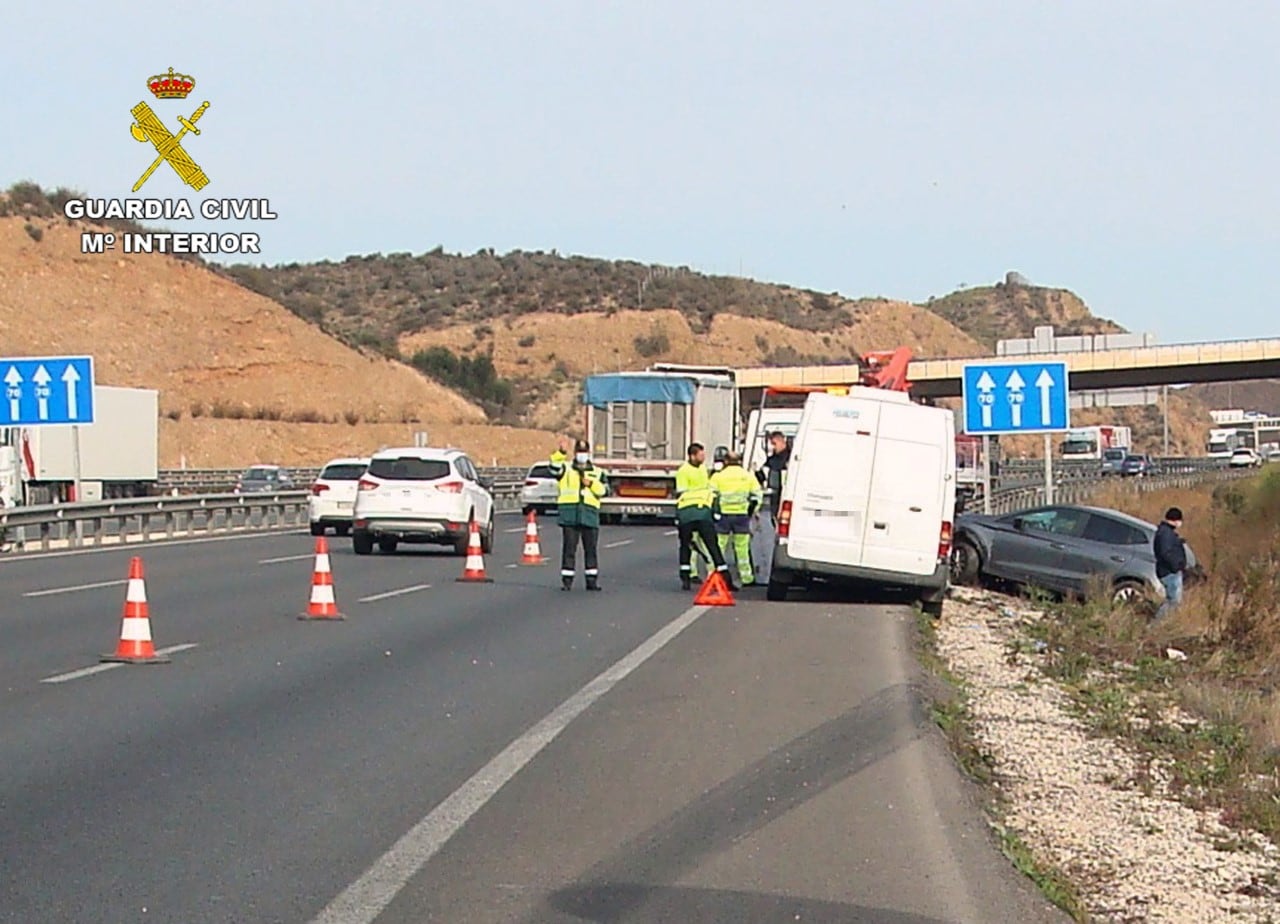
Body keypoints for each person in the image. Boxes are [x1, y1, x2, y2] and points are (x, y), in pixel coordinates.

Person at [548, 438, 608, 591]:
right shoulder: (566, 470)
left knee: (591, 550)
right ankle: (567, 581)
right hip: (570, 515)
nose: (582, 455)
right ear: (575, 453)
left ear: (589, 453)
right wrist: (560, 453)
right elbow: (554, 469)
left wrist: (592, 484)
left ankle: (591, 581)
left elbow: (605, 491)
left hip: (589, 515)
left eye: (584, 452)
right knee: (569, 549)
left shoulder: (597, 472)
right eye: (579, 452)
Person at [674, 442, 732, 591]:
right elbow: (682, 493)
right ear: (692, 456)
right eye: (701, 455)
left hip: (701, 512)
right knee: (688, 546)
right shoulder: (683, 471)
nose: (703, 458)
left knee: (711, 546)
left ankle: (721, 577)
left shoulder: (702, 469)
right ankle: (687, 577)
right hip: (688, 512)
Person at [710, 450, 763, 587]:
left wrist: (714, 512)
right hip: (741, 516)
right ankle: (746, 577)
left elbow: (711, 496)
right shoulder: (748, 476)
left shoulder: (718, 477)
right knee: (742, 548)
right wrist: (752, 511)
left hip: (723, 516)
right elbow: (757, 496)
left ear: (726, 461)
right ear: (739, 461)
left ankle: (713, 575)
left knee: (719, 546)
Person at [1153, 506, 1187, 619]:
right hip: (1169, 572)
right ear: (1176, 520)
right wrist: (1177, 566)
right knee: (1173, 601)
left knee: (1173, 601)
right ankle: (1155, 625)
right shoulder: (1166, 534)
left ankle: (1165, 624)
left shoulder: (1166, 532)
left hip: (1169, 571)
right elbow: (1165, 553)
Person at [755, 431, 791, 524]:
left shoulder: (790, 459)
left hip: (785, 496)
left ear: (782, 441)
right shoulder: (772, 460)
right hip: (774, 498)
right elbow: (763, 477)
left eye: (775, 444)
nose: (773, 447)